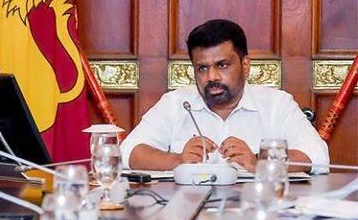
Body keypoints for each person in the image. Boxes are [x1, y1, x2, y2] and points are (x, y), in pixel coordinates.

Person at [121, 19, 329, 173]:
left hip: (255, 213)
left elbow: (317, 155)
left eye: (222, 65)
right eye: (202, 68)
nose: (212, 77)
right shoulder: (175, 103)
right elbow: (127, 152)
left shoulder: (277, 104)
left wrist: (260, 163)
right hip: (187, 214)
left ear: (245, 65)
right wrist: (177, 161)